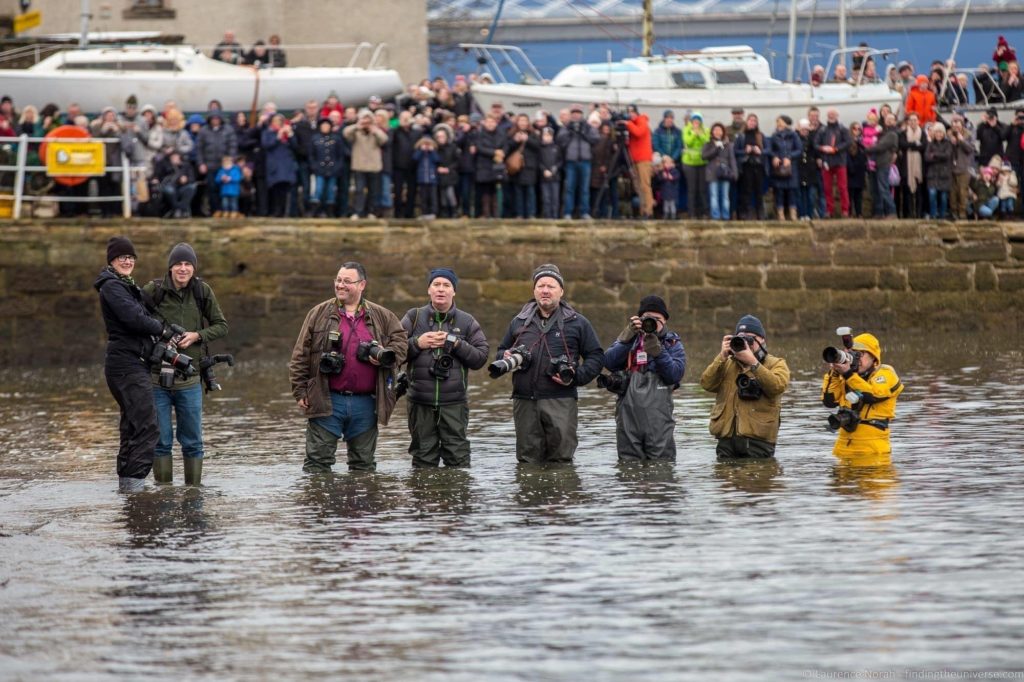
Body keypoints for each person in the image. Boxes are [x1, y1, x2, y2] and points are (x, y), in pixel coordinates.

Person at [288, 262, 408, 473]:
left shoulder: (383, 316)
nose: (340, 285)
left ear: (362, 285)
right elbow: (300, 355)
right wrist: (300, 391)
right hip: (327, 399)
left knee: (363, 467)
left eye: (347, 281)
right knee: (317, 464)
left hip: (366, 403)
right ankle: (319, 504)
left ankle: (360, 505)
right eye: (338, 280)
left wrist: (384, 356)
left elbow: (401, 343)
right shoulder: (317, 314)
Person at [496, 264, 604, 464]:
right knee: (527, 462)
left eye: (551, 286)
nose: (545, 290)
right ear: (534, 290)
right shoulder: (518, 322)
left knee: (561, 461)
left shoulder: (578, 323)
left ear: (561, 291)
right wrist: (506, 355)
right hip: (524, 401)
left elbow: (596, 357)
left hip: (560, 399)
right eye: (541, 285)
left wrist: (575, 378)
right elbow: (501, 350)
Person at [142, 243, 229, 486]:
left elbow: (221, 325)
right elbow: (133, 320)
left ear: (193, 268)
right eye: (178, 264)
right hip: (156, 378)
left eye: (187, 264)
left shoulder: (202, 291)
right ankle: (164, 494)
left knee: (193, 442)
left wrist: (196, 335)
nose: (183, 268)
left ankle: (194, 495)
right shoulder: (153, 290)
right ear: (170, 268)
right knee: (161, 443)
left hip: (190, 379)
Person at [94, 237, 172, 492]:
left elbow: (143, 313)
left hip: (131, 363)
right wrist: (163, 330)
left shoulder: (126, 286)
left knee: (132, 425)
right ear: (112, 261)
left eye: (131, 258)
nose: (127, 261)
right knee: (149, 426)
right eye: (121, 258)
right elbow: (133, 318)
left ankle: (127, 488)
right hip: (124, 364)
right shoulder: (112, 286)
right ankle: (136, 489)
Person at [400, 268, 489, 468]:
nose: (441, 289)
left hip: (454, 403)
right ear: (429, 289)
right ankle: (424, 499)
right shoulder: (413, 317)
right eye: (436, 284)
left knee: (458, 460)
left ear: (454, 291)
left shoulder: (466, 321)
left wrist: (457, 344)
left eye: (446, 285)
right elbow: (392, 353)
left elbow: (481, 358)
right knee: (423, 459)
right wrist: (417, 343)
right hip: (420, 402)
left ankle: (456, 498)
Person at [602, 296, 686, 460]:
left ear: (665, 321)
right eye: (648, 318)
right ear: (639, 319)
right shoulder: (630, 339)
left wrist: (659, 352)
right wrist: (626, 339)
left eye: (657, 319)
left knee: (661, 467)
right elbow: (608, 362)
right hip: (628, 415)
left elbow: (675, 375)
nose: (652, 323)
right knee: (628, 466)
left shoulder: (672, 343)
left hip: (659, 417)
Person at [699, 315, 790, 459]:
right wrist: (721, 356)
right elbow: (706, 384)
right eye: (741, 338)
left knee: (755, 479)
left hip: (758, 443)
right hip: (726, 441)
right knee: (724, 478)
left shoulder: (776, 364)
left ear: (762, 340)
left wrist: (753, 364)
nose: (746, 343)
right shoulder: (726, 363)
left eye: (751, 339)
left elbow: (777, 386)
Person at [822, 333, 903, 458]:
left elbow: (871, 396)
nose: (855, 359)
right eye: (852, 353)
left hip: (873, 452)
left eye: (860, 354)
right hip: (842, 450)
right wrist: (834, 373)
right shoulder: (847, 376)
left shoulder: (886, 373)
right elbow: (829, 401)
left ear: (873, 357)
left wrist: (848, 374)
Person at [343, 109, 388, 219]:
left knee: (373, 191)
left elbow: (384, 140)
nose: (366, 122)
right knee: (359, 190)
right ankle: (358, 211)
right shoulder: (356, 132)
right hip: (359, 166)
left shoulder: (376, 131)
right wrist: (357, 126)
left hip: (374, 166)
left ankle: (371, 212)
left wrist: (375, 130)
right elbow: (345, 133)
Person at [556, 104, 598, 219]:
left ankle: (584, 212)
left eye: (578, 112)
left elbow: (595, 139)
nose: (576, 115)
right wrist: (570, 132)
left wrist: (583, 133)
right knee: (569, 188)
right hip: (571, 162)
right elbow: (560, 141)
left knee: (584, 189)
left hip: (585, 161)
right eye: (573, 113)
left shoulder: (588, 127)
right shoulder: (566, 127)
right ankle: (568, 212)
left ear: (581, 114)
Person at [815, 108, 851, 218]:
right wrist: (822, 148)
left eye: (833, 114)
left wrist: (836, 149)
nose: (831, 116)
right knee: (827, 188)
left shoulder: (843, 129)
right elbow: (815, 144)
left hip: (840, 162)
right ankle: (829, 210)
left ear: (837, 116)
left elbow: (848, 142)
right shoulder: (822, 130)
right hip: (827, 162)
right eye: (829, 114)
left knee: (842, 187)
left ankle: (845, 210)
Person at [767, 115, 802, 221]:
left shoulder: (794, 135)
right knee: (779, 191)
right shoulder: (774, 136)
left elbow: (799, 149)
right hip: (778, 167)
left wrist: (789, 157)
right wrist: (774, 157)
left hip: (791, 167)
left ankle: (793, 214)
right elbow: (769, 149)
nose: (779, 123)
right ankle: (780, 214)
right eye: (777, 121)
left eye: (780, 121)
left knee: (792, 191)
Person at [701, 122, 737, 221]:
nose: (717, 132)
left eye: (719, 130)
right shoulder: (708, 144)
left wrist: (735, 173)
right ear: (712, 132)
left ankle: (725, 216)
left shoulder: (729, 145)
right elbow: (704, 156)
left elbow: (732, 159)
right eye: (715, 130)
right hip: (712, 172)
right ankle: (715, 216)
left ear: (723, 132)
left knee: (725, 196)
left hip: (725, 172)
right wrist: (716, 147)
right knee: (714, 195)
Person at [624, 105, 655, 219]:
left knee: (645, 185)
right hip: (635, 159)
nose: (630, 114)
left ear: (636, 112)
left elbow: (639, 132)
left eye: (632, 111)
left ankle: (649, 211)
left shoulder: (642, 120)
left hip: (644, 159)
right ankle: (643, 211)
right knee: (638, 186)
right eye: (628, 112)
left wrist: (628, 124)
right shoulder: (632, 124)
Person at [682, 112, 710, 218]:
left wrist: (700, 135)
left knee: (702, 189)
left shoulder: (705, 130)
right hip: (689, 163)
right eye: (694, 120)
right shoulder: (686, 129)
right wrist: (694, 133)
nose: (696, 122)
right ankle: (691, 213)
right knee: (691, 189)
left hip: (702, 162)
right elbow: (687, 142)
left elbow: (707, 142)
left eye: (698, 120)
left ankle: (704, 212)